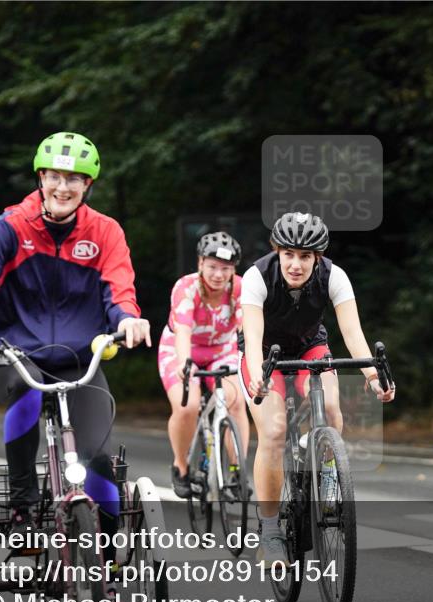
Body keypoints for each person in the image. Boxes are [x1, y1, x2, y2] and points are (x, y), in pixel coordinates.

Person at [0, 131, 149, 602]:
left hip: (80, 358)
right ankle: (21, 507)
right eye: (55, 177)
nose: (63, 187)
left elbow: (119, 288)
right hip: (11, 355)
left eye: (74, 179)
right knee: (26, 387)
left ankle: (99, 565)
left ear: (87, 185)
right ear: (41, 179)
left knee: (101, 461)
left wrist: (127, 320)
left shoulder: (104, 232)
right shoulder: (8, 229)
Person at [240, 212, 396, 567]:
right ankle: (270, 532)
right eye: (289, 254)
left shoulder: (335, 277)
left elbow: (353, 334)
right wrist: (257, 377)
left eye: (306, 256)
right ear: (277, 251)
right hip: (266, 354)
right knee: (275, 430)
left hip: (311, 346)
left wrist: (374, 377)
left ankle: (326, 481)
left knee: (330, 414)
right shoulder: (256, 277)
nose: (296, 264)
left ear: (318, 257)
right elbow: (251, 338)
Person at [158, 232, 250, 498]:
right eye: (212, 266)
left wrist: (252, 360)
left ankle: (236, 471)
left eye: (226, 269)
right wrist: (185, 363)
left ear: (233, 270)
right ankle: (181, 466)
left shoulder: (241, 288)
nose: (218, 275)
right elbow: (183, 330)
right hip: (181, 348)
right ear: (200, 264)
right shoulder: (185, 287)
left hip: (223, 349)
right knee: (186, 406)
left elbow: (246, 329)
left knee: (235, 401)